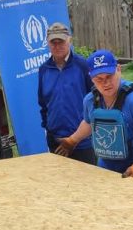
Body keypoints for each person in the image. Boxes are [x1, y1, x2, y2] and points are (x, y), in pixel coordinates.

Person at [56, 49, 133, 184]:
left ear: (118, 69)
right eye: (99, 79)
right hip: (106, 167)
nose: (106, 83)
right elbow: (89, 122)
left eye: (109, 76)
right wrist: (72, 140)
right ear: (91, 78)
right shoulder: (90, 100)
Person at [38, 22, 96, 164]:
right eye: (53, 42)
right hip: (55, 141)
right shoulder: (44, 69)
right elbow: (43, 103)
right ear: (47, 43)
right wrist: (48, 128)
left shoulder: (82, 65)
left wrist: (85, 132)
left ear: (69, 40)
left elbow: (96, 99)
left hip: (82, 141)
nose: (57, 46)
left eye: (61, 41)